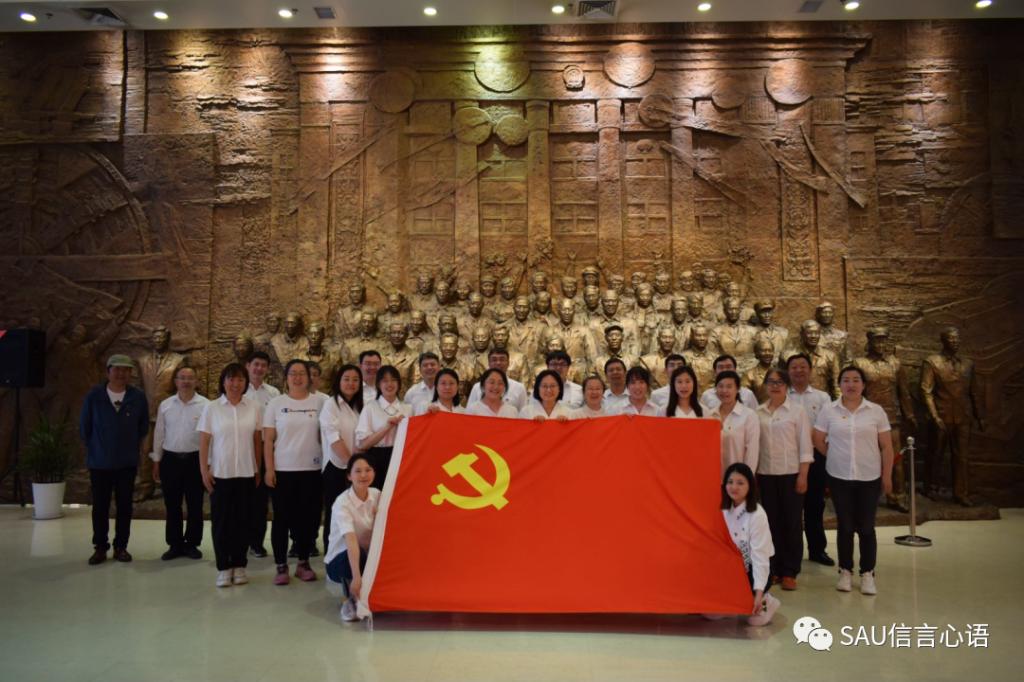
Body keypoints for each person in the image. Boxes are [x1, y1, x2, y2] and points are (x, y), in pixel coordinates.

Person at [812, 366, 894, 595]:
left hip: (869, 476)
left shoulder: (875, 411)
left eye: (856, 380)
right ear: (840, 385)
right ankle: (845, 571)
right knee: (845, 526)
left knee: (866, 527)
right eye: (846, 380)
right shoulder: (829, 410)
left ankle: (867, 572)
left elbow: (887, 447)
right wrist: (834, 455)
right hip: (839, 477)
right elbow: (818, 439)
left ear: (863, 385)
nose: (851, 384)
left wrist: (887, 475)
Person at [79, 354, 149, 565]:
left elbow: (143, 427)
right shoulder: (95, 396)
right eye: (117, 369)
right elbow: (85, 427)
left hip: (126, 463)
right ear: (108, 371)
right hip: (99, 463)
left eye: (126, 370)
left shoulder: (137, 397)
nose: (121, 373)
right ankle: (100, 547)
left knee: (125, 507)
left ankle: (121, 547)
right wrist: (98, 447)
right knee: (100, 507)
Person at [198, 363, 263, 587]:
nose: (235, 384)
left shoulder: (253, 407)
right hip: (221, 473)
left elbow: (257, 440)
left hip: (246, 473)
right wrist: (204, 470)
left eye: (240, 380)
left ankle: (239, 564)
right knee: (222, 523)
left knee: (243, 522)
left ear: (246, 383)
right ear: (223, 381)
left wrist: (258, 468)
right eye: (231, 379)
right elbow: (204, 441)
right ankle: (223, 567)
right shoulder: (212, 408)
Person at [264, 359, 324, 585]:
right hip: (283, 470)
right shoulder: (275, 403)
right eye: (293, 374)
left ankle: (303, 562)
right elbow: (268, 440)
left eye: (302, 373)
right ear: (286, 377)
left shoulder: (321, 402)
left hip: (312, 470)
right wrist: (269, 469)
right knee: (281, 519)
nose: (297, 378)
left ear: (309, 377)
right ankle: (281, 565)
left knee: (308, 519)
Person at [755, 368, 812, 591]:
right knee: (771, 524)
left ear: (787, 385)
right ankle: (774, 569)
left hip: (791, 474)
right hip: (766, 474)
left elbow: (805, 446)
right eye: (771, 382)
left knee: (792, 523)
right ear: (765, 385)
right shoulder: (758, 412)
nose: (775, 386)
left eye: (779, 382)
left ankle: (790, 571)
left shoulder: (797, 412)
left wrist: (803, 475)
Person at [151, 365, 208, 561]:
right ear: (175, 381)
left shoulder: (206, 405)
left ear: (196, 381)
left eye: (190, 378)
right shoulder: (166, 405)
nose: (186, 381)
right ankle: (174, 544)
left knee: (195, 504)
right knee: (172, 504)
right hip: (170, 460)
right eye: (182, 377)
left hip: (195, 460)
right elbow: (159, 433)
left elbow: (209, 437)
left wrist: (208, 463)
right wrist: (156, 460)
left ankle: (192, 544)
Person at [785, 353, 834, 567]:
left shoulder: (822, 398)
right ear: (788, 371)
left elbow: (828, 428)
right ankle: (790, 552)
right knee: (791, 507)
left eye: (803, 366)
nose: (799, 370)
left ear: (810, 370)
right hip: (789, 457)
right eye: (794, 367)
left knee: (815, 504)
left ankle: (817, 550)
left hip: (815, 457)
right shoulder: (783, 396)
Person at [721, 463, 780, 626]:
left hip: (755, 567)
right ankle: (733, 600)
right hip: (733, 566)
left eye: (740, 483)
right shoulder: (723, 509)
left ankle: (767, 600)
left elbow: (760, 557)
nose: (734, 487)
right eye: (730, 482)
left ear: (750, 486)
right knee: (711, 614)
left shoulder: (757, 514)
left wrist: (758, 592)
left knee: (756, 621)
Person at [326, 453, 379, 622]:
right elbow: (351, 540)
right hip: (340, 560)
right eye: (358, 471)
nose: (363, 475)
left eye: (368, 470)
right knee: (360, 555)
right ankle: (350, 599)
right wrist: (357, 576)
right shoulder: (342, 503)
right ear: (349, 476)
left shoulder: (377, 495)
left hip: (366, 554)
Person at [319, 364, 364, 555]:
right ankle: (333, 555)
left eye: (355, 380)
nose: (351, 383)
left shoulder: (361, 406)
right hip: (336, 468)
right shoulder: (331, 405)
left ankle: (353, 554)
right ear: (338, 381)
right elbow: (334, 439)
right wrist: (351, 467)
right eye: (346, 379)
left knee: (355, 514)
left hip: (357, 470)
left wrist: (357, 469)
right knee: (335, 513)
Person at [244, 351, 280, 558]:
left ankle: (256, 543)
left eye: (263, 365)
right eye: (255, 364)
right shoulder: (239, 389)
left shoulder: (273, 393)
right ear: (248, 366)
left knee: (260, 501)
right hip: (244, 451)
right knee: (243, 499)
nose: (259, 369)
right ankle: (241, 541)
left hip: (267, 450)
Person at [355, 365, 412, 490]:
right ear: (378, 384)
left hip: (402, 458)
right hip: (376, 459)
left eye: (393, 380)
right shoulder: (370, 407)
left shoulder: (408, 409)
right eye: (385, 380)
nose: (389, 384)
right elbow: (362, 445)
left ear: (399, 383)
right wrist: (387, 427)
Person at [708, 371, 759, 474]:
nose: (724, 390)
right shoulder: (709, 415)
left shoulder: (749, 415)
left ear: (738, 389)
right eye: (720, 386)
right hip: (713, 475)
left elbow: (752, 452)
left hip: (737, 477)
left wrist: (746, 477)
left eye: (729, 386)